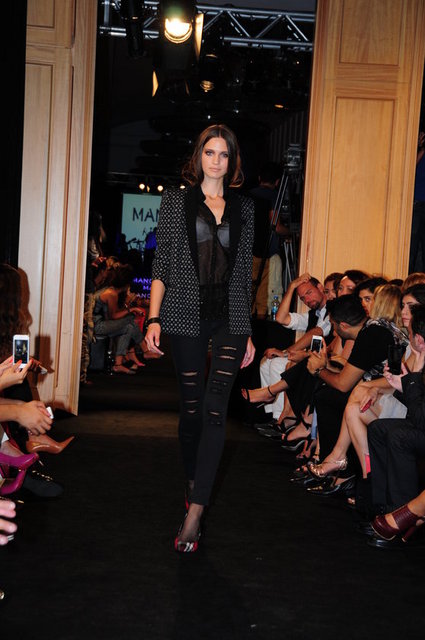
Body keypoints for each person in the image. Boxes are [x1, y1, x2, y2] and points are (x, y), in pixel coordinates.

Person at [145, 124, 255, 553]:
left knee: (214, 408)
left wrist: (246, 330)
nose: (216, 161)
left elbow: (243, 274)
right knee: (191, 409)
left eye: (224, 154)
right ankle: (193, 480)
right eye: (210, 152)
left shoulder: (244, 207)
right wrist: (153, 319)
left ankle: (195, 511)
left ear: (232, 161)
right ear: (199, 157)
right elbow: (161, 265)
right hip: (184, 314)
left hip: (229, 317)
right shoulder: (176, 201)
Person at [250, 162, 287, 318]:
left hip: (248, 251)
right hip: (267, 251)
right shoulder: (274, 196)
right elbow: (275, 225)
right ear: (277, 182)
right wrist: (290, 232)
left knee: (249, 291)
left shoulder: (247, 195)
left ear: (259, 178)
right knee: (264, 294)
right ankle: (261, 325)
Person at [409, 130, 425, 273]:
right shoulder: (417, 151)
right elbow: (408, 169)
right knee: (412, 248)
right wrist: (421, 149)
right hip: (416, 203)